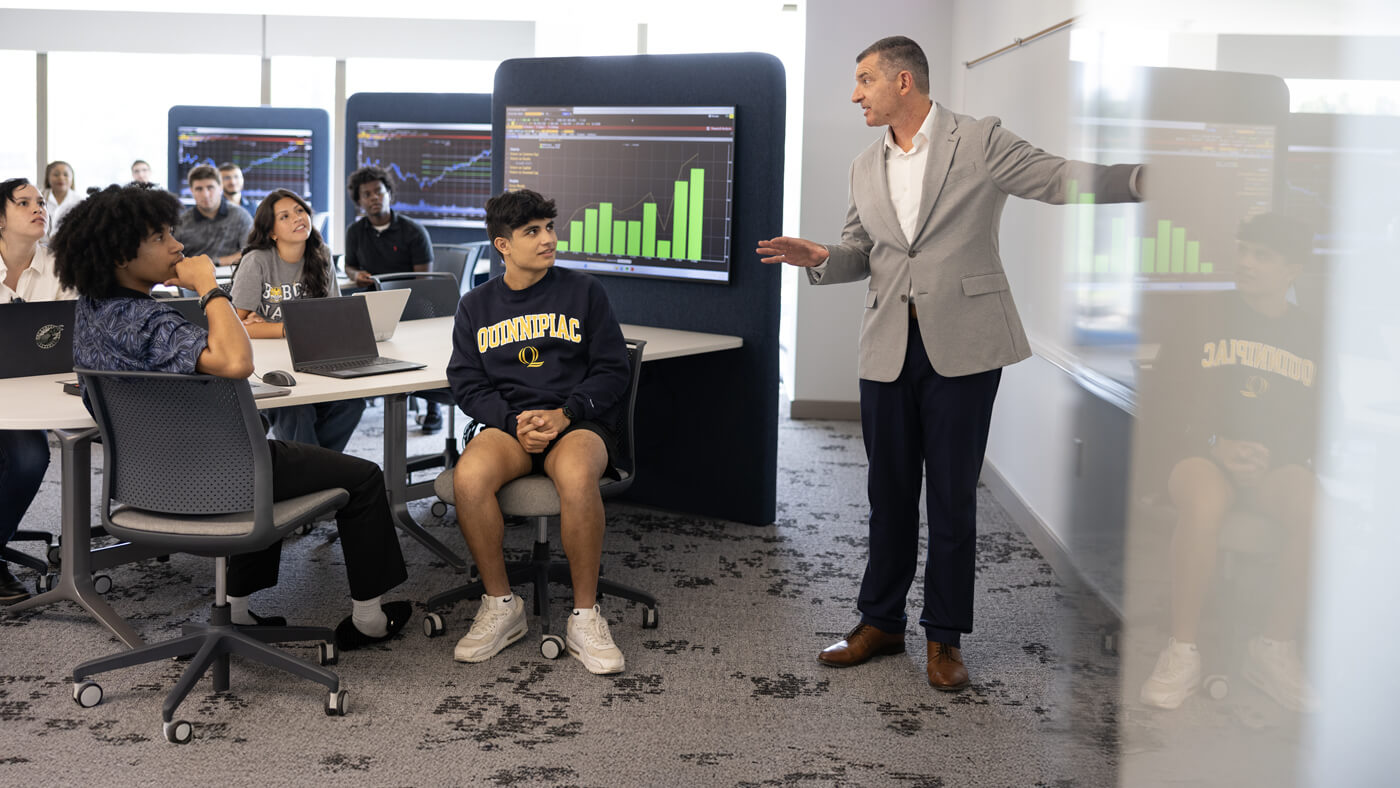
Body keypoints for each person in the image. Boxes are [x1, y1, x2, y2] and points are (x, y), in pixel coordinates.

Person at [757, 35, 1143, 691]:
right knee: (889, 494)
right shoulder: (863, 165)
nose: (856, 93)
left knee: (953, 499)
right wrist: (822, 256)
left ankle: (944, 638)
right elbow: (863, 252)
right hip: (887, 348)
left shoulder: (979, 140)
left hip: (964, 345)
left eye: (865, 79)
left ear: (904, 81)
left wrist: (1136, 180)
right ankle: (879, 622)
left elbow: (1055, 177)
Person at [51, 182, 410, 649]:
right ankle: (369, 621)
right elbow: (238, 362)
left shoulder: (94, 309)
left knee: (266, 455)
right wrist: (208, 287)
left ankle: (237, 609)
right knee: (360, 477)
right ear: (120, 256)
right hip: (216, 476)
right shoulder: (149, 322)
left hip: (149, 477)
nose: (178, 246)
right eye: (161, 238)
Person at [1137, 213, 1321, 712]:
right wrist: (1216, 444)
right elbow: (1164, 401)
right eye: (1244, 249)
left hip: (1271, 465)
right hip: (1202, 455)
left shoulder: (1309, 334)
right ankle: (1182, 650)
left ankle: (1273, 648)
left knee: (1315, 504)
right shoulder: (1204, 315)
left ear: (1293, 270)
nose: (1247, 261)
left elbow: (1317, 418)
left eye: (1263, 255)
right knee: (1205, 497)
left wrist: (1270, 457)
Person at [446, 188, 631, 675]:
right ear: (503, 245)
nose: (548, 238)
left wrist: (566, 414)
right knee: (468, 478)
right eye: (533, 231)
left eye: (549, 227)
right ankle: (501, 605)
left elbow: (613, 371)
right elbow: (466, 382)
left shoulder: (584, 292)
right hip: (510, 424)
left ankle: (586, 617)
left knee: (574, 474)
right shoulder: (476, 306)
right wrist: (512, 422)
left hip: (576, 421)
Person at [230, 188, 365, 452]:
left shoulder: (321, 254)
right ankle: (319, 476)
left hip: (312, 356)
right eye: (284, 216)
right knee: (296, 408)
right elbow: (234, 326)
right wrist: (287, 329)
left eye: (300, 210)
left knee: (353, 402)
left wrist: (265, 327)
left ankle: (318, 469)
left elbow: (333, 316)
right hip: (268, 365)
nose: (297, 218)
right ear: (271, 231)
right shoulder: (256, 260)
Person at [0, 177, 75, 604]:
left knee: (29, 458)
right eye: (24, 202)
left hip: (33, 390)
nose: (38, 208)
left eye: (41, 202)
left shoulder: (59, 268)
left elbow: (74, 334)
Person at [344, 165, 440, 433]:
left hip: (411, 300)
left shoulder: (413, 231)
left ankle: (433, 405)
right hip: (372, 300)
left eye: (379, 191)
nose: (374, 197)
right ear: (359, 201)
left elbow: (424, 281)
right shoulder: (355, 231)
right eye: (367, 194)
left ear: (389, 195)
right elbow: (349, 266)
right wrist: (357, 274)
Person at [174, 164, 252, 266]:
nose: (205, 194)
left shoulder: (241, 216)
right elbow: (172, 257)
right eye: (199, 189)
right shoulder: (181, 222)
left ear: (220, 188)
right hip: (193, 277)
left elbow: (250, 253)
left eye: (210, 187)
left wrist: (215, 262)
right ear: (191, 191)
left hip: (231, 276)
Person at [41, 160, 82, 237]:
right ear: (48, 177)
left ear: (72, 178)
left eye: (66, 175)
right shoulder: (39, 197)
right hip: (40, 245)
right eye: (56, 175)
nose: (61, 178)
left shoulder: (79, 202)